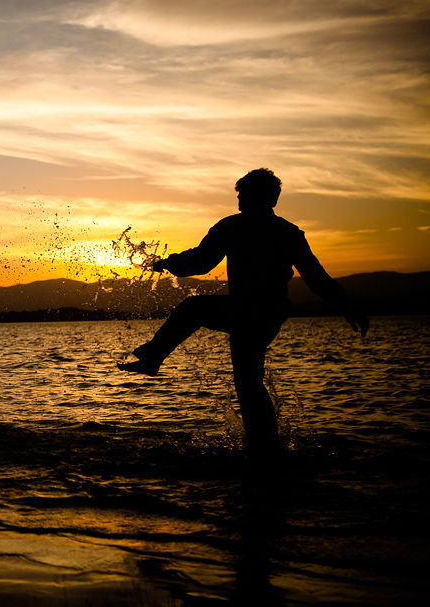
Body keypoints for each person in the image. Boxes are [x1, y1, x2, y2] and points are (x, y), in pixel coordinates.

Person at [117, 168, 368, 459]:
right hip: (270, 314)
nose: (237, 200)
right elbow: (316, 278)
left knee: (193, 309)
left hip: (245, 312)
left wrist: (164, 263)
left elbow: (199, 263)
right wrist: (347, 305)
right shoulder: (289, 231)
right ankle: (266, 450)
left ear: (250, 195)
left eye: (240, 194)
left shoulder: (233, 226)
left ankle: (152, 358)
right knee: (249, 383)